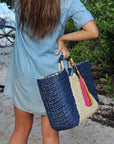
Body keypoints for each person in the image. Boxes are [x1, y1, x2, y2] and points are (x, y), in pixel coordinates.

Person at [4, 0, 99, 144]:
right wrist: (63, 38)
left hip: (23, 75)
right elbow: (92, 31)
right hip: (53, 79)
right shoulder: (69, 2)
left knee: (20, 131)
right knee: (50, 136)